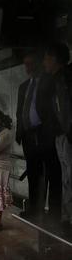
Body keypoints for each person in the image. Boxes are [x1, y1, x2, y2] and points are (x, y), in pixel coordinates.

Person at [16, 50, 61, 221]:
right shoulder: (24, 86)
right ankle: (35, 208)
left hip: (44, 133)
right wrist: (20, 131)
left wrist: (51, 129)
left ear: (39, 63)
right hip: (28, 134)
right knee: (33, 173)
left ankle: (55, 212)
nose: (27, 67)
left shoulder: (49, 81)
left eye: (30, 63)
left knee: (52, 172)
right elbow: (20, 111)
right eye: (25, 64)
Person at [45, 42, 72, 227]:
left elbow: (65, 109)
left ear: (55, 59)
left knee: (69, 177)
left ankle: (69, 218)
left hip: (67, 135)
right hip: (62, 134)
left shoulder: (65, 79)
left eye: (47, 58)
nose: (45, 62)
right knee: (66, 178)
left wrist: (67, 131)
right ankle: (67, 216)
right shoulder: (57, 79)